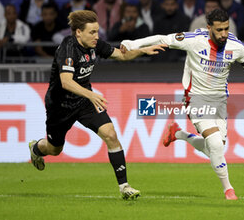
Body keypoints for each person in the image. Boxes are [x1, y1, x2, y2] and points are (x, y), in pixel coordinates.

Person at [121, 8, 244, 200]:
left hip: (220, 102)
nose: (224, 34)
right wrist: (133, 43)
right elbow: (162, 38)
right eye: (219, 30)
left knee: (214, 148)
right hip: (196, 98)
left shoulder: (236, 47)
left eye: (226, 29)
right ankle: (228, 190)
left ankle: (179, 133)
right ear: (208, 28)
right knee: (216, 144)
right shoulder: (194, 40)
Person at [28, 10, 166, 200]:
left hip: (84, 101)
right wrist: (91, 94)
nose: (97, 36)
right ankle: (36, 149)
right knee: (54, 149)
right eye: (92, 32)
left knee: (110, 134)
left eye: (97, 31)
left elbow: (121, 55)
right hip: (60, 107)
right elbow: (66, 82)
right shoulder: (68, 48)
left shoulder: (95, 45)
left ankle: (124, 186)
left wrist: (142, 51)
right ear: (78, 32)